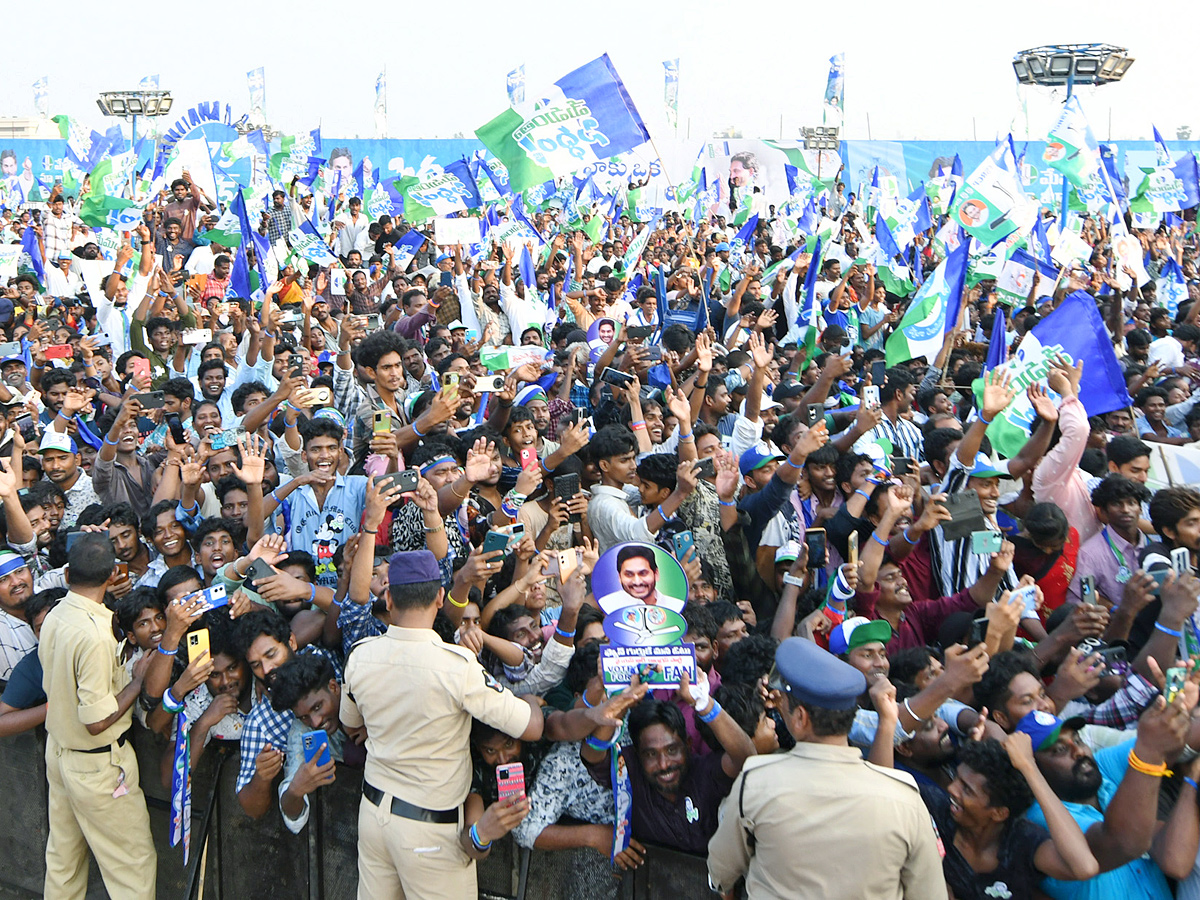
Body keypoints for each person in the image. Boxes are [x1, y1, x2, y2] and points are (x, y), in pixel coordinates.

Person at [339, 549, 546, 899]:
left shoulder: (361, 654)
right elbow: (531, 729)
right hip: (429, 831)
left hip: (374, 815)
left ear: (388, 598)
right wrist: (530, 701)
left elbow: (350, 723)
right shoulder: (457, 665)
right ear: (439, 597)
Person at [707, 637, 947, 899]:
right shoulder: (905, 797)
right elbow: (930, 893)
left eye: (784, 705)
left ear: (800, 718)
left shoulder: (755, 782)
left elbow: (720, 873)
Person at [38, 532, 156, 899]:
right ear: (112, 575)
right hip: (96, 765)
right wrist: (137, 682)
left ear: (69, 573)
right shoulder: (94, 635)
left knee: (64, 863)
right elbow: (96, 721)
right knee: (133, 867)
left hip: (60, 755)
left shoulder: (58, 612)